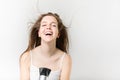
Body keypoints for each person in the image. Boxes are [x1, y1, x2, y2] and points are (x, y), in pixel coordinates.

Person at [19, 12, 72, 80]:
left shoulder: (65, 59)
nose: (48, 27)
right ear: (39, 33)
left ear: (58, 34)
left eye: (53, 25)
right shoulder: (26, 57)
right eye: (44, 25)